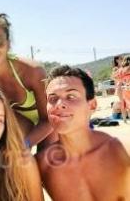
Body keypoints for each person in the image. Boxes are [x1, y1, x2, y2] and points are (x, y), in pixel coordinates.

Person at [37, 65, 130, 201]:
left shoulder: (123, 152)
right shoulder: (41, 165)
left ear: (92, 105)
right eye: (52, 98)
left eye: (71, 96)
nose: (59, 104)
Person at [0, 11, 52, 148]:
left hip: (48, 125)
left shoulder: (32, 71)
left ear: (8, 44)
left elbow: (49, 120)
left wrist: (25, 146)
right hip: (17, 129)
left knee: (48, 158)